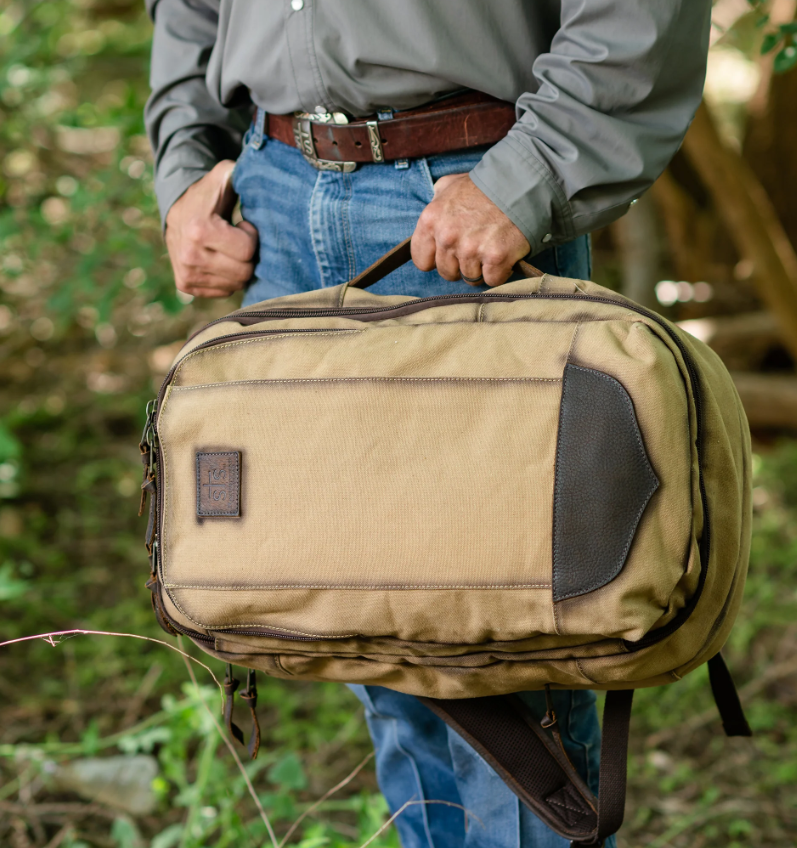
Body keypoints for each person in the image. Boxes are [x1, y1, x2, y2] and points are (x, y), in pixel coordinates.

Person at [144, 3, 711, 846]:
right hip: (271, 197)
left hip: (469, 194)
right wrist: (186, 166)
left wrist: (525, 178)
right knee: (366, 628)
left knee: (508, 651)